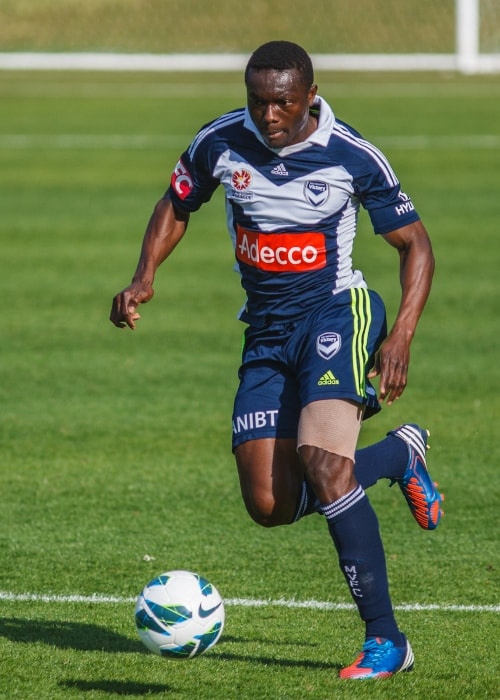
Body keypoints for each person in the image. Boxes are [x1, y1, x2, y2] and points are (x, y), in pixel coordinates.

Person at [110, 40, 443, 680]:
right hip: (264, 332)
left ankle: (386, 641)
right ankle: (399, 454)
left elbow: (416, 245)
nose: (269, 116)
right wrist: (143, 276)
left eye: (282, 103)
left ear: (309, 97)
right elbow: (177, 202)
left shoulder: (351, 155)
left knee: (322, 463)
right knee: (270, 506)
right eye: (258, 101)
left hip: (335, 316)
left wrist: (399, 335)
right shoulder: (221, 142)